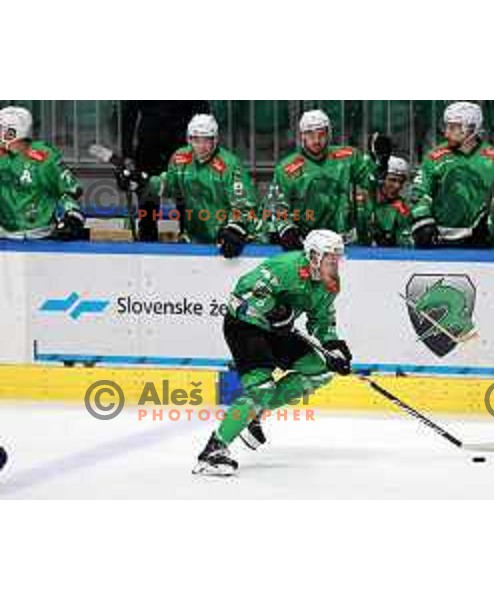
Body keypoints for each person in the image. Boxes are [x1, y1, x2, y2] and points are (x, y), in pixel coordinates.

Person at [193, 229, 353, 476]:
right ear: (313, 256)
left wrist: (332, 345)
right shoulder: (285, 267)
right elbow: (243, 293)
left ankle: (253, 416)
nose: (335, 263)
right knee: (262, 389)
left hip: (278, 331)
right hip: (246, 327)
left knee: (321, 370)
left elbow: (321, 318)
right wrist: (272, 308)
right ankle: (213, 451)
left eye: (337, 258)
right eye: (330, 257)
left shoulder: (330, 284)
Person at [121, 114, 260, 257]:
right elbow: (169, 185)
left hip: (227, 239)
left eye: (207, 140)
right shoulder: (180, 158)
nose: (201, 146)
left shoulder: (230, 165)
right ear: (189, 139)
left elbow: (244, 204)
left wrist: (235, 229)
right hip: (195, 237)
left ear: (216, 140)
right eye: (196, 140)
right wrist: (142, 182)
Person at [410, 101, 494, 249]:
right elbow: (418, 193)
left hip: (480, 241)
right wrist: (423, 221)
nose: (446, 133)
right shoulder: (434, 158)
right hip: (437, 239)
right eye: (446, 126)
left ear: (471, 128)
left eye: (453, 127)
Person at [265, 109, 376, 250]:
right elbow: (276, 206)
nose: (316, 140)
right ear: (301, 136)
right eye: (310, 134)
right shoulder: (286, 168)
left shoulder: (349, 157)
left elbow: (372, 184)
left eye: (321, 134)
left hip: (346, 243)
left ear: (329, 133)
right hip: (307, 243)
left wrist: (378, 164)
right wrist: (287, 229)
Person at [121, 101, 210, 241]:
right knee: (147, 203)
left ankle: (190, 240)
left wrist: (202, 150)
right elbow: (128, 115)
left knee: (187, 200)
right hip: (149, 146)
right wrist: (127, 153)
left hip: (182, 143)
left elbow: (203, 113)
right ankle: (147, 244)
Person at [0, 106, 85, 240]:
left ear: (12, 132)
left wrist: (72, 216)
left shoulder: (44, 156)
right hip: (5, 236)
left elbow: (70, 190)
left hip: (42, 235)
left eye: (1, 128)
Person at [371, 156, 414, 247]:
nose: (397, 186)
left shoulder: (402, 207)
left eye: (401, 181)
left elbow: (405, 240)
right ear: (381, 179)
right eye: (392, 180)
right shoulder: (364, 200)